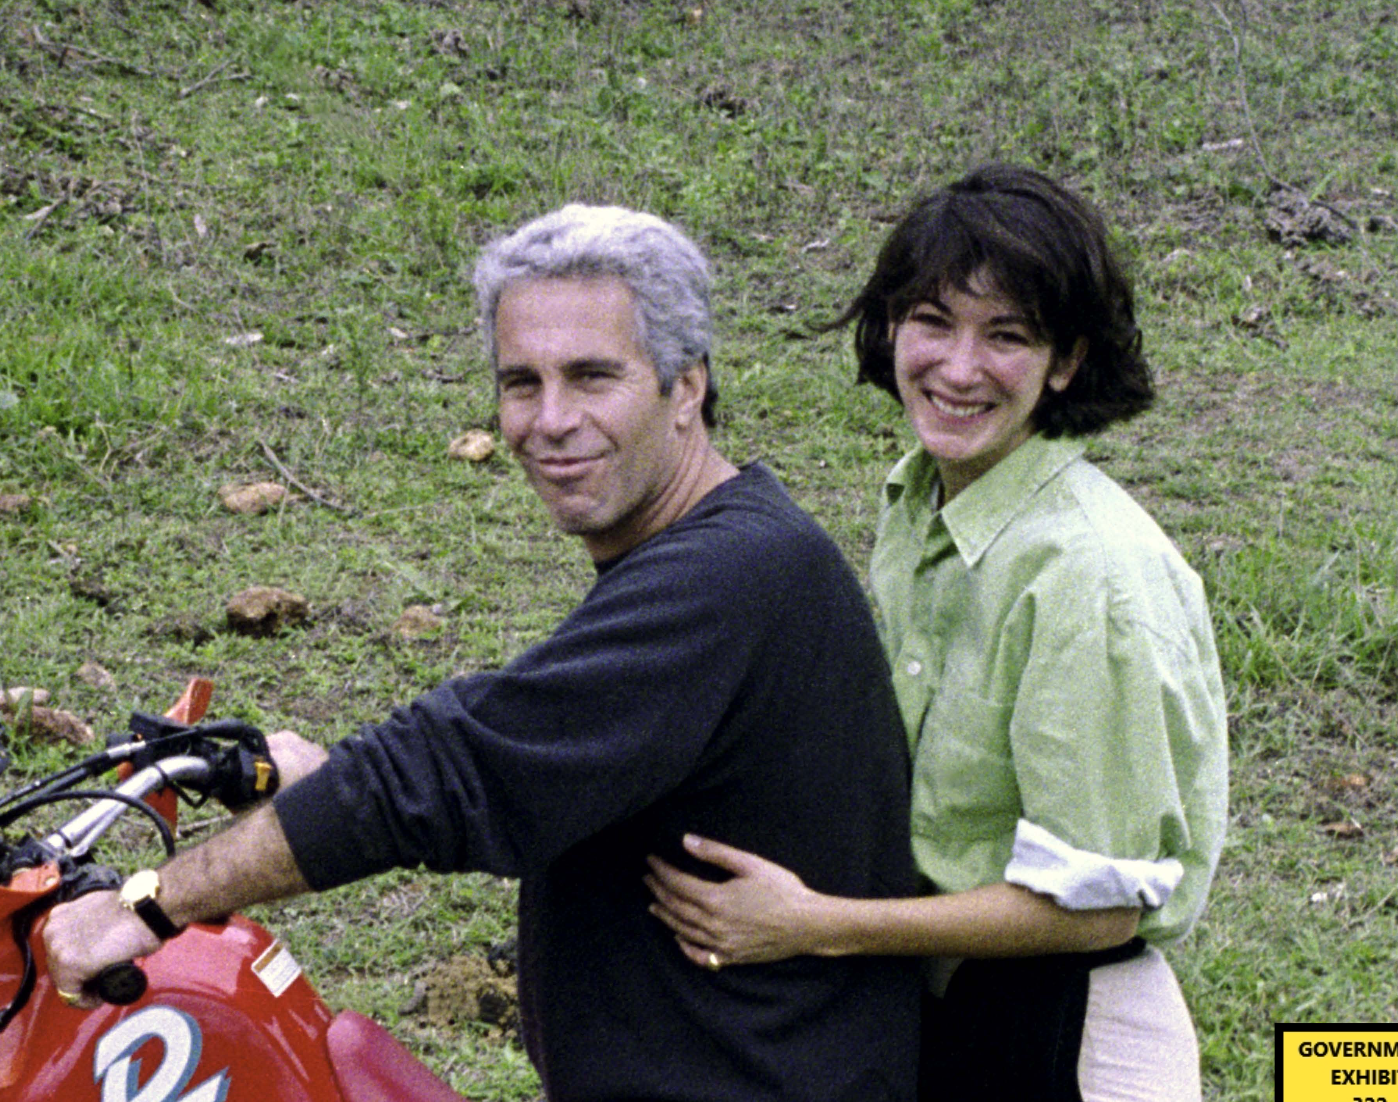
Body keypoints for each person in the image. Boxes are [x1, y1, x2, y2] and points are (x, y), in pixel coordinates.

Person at [44, 204, 922, 1101]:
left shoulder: (732, 576)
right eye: (520, 382)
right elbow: (523, 745)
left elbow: (454, 768)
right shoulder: (721, 545)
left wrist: (145, 905)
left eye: (590, 377)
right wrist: (328, 776)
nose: (549, 420)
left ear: (686, 385)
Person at [645, 165, 1229, 1102]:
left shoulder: (1088, 575)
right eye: (932, 322)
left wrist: (815, 922)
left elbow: (1098, 911)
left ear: (1068, 363)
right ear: (888, 330)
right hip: (951, 1010)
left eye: (1007, 335)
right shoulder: (918, 502)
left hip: (1068, 1030)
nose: (959, 367)